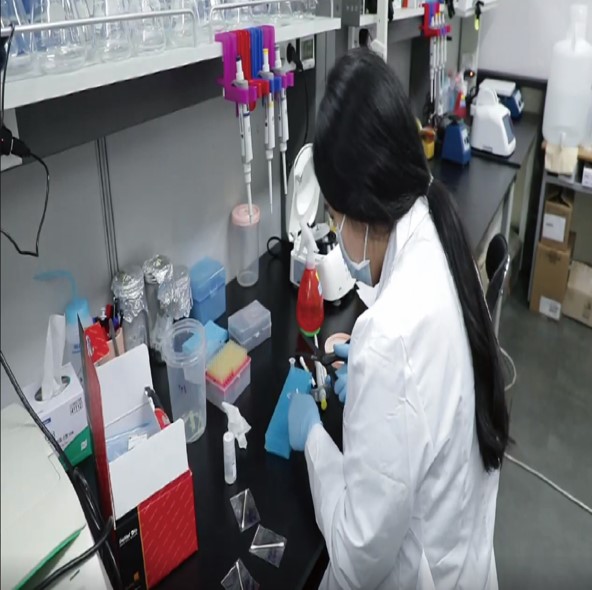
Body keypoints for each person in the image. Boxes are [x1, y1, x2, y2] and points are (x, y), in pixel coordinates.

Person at [288, 49, 509, 590]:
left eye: (333, 218)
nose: (335, 235)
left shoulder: (390, 335)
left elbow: (356, 559)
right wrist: (370, 379)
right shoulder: (439, 229)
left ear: (362, 208)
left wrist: (313, 438)